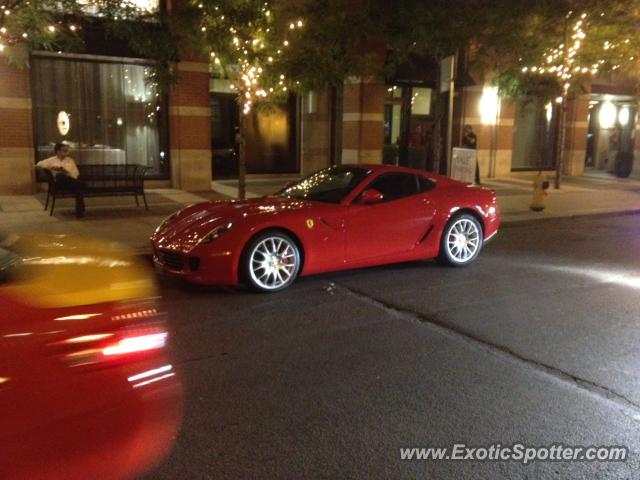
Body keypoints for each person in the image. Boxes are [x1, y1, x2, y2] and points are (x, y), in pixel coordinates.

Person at [37, 143, 85, 217]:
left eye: (67, 151)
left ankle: (80, 212)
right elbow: (39, 164)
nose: (66, 152)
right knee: (60, 176)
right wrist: (51, 168)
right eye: (64, 150)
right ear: (58, 151)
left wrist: (66, 172)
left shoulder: (70, 160)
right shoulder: (51, 160)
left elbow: (76, 174)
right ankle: (83, 185)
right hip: (58, 184)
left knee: (78, 188)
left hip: (70, 183)